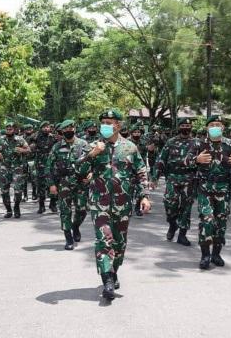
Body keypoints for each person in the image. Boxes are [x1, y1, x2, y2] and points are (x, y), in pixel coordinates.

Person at [77, 109, 151, 300]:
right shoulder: (93, 146)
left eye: (109, 122)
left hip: (122, 204)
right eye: (103, 122)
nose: (105, 125)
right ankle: (107, 279)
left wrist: (144, 196)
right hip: (99, 203)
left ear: (118, 125)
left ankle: (114, 270)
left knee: (119, 242)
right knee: (104, 240)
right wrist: (92, 155)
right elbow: (78, 169)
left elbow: (141, 172)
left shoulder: (130, 148)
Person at [187, 115, 231, 270]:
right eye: (212, 124)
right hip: (205, 189)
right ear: (207, 127)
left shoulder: (230, 143)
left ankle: (216, 254)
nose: (215, 127)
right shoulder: (199, 143)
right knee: (207, 220)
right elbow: (186, 160)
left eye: (218, 124)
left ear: (223, 127)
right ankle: (205, 255)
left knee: (221, 223)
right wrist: (196, 160)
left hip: (224, 189)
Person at [151, 119, 196, 246]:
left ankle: (182, 235)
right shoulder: (171, 142)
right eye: (183, 125)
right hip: (172, 178)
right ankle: (172, 224)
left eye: (187, 125)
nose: (185, 127)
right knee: (169, 204)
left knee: (186, 208)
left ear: (191, 127)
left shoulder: (197, 143)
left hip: (189, 179)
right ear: (178, 127)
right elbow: (161, 160)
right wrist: (155, 177)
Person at [46, 120, 89, 250]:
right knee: (65, 211)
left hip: (81, 182)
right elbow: (48, 166)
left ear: (74, 129)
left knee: (82, 209)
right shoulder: (57, 147)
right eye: (65, 129)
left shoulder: (83, 144)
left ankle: (75, 226)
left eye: (70, 128)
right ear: (62, 132)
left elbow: (92, 160)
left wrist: (91, 174)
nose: (68, 131)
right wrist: (51, 184)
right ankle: (68, 238)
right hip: (64, 182)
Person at [0, 122, 30, 218]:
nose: (8, 131)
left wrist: (22, 150)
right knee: (4, 190)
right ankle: (8, 210)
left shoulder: (20, 139)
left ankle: (16, 207)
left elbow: (28, 150)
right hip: (4, 168)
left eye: (11, 129)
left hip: (17, 168)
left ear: (14, 130)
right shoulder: (0, 140)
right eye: (7, 129)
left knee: (18, 190)